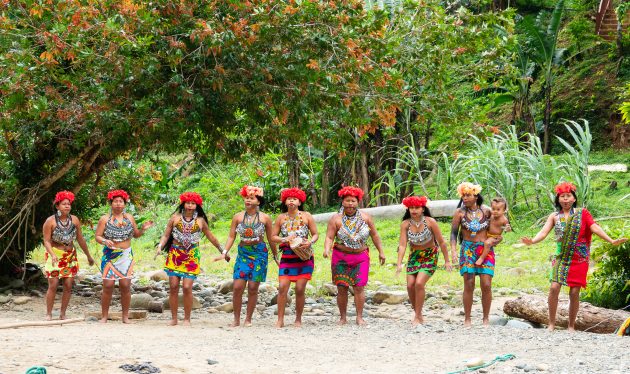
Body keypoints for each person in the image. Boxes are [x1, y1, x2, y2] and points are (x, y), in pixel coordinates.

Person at [521, 182, 627, 332]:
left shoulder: (583, 213)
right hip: (561, 257)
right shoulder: (554, 216)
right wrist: (532, 241)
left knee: (574, 292)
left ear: (574, 198)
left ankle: (571, 325)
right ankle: (551, 323)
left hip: (579, 258)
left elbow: (594, 227)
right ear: (558, 199)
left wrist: (611, 240)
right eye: (562, 196)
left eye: (568, 196)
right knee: (554, 287)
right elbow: (543, 233)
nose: (565, 199)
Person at [154, 192, 228, 326]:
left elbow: (212, 237)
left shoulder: (200, 220)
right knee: (173, 286)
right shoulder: (175, 218)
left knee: (187, 287)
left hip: (192, 256)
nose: (190, 205)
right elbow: (166, 236)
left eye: (193, 203)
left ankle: (187, 319)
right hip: (175, 255)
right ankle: (174, 318)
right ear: (183, 204)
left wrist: (223, 251)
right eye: (188, 203)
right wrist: (160, 246)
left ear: (196, 205)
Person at [323, 186, 386, 326]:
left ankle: (359, 317)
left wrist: (381, 251)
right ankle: (343, 317)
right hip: (341, 257)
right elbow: (329, 237)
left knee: (359, 287)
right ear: (342, 202)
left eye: (353, 201)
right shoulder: (335, 219)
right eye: (347, 201)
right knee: (342, 287)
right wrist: (326, 249)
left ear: (358, 202)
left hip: (360, 257)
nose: (350, 204)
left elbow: (374, 235)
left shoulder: (366, 217)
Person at [218, 185, 277, 327]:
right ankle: (236, 319)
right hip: (243, 253)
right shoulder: (237, 217)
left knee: (252, 287)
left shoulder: (265, 218)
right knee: (238, 286)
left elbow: (271, 238)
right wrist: (225, 251)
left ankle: (248, 319)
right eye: (246, 198)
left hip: (259, 254)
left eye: (252, 198)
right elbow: (232, 236)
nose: (248, 200)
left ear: (258, 201)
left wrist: (275, 256)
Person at [95, 189, 153, 323]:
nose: (118, 204)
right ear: (111, 203)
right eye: (115, 201)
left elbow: (136, 234)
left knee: (125, 285)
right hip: (110, 255)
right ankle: (104, 316)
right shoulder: (104, 219)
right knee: (108, 285)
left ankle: (125, 316)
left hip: (126, 255)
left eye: (121, 201)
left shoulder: (129, 218)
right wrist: (105, 241)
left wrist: (143, 229)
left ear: (125, 204)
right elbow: (97, 236)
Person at [396, 195, 452, 326]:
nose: (414, 210)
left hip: (430, 255)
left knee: (419, 284)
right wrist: (399, 263)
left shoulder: (430, 221)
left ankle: (417, 316)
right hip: (414, 256)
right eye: (411, 208)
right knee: (410, 285)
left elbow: (442, 242)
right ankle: (418, 313)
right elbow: (403, 245)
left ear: (423, 209)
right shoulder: (405, 224)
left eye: (417, 207)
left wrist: (447, 260)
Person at [42, 191, 95, 320]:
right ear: (57, 206)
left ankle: (62, 313)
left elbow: (80, 239)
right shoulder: (50, 221)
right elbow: (46, 241)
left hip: (69, 256)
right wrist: (53, 254)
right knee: (53, 284)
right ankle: (49, 313)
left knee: (68, 285)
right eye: (63, 204)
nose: (67, 206)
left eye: (68, 204)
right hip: (55, 255)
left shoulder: (75, 220)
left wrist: (88, 255)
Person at [271, 187, 318, 328]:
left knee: (299, 288)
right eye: (289, 199)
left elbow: (315, 234)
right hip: (287, 256)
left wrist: (310, 241)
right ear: (285, 201)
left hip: (304, 256)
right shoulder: (280, 218)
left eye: (294, 199)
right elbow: (273, 237)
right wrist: (285, 239)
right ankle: (280, 319)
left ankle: (298, 319)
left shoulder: (307, 216)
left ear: (299, 202)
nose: (291, 201)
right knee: (282, 287)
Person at [449, 182, 493, 327]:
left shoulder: (486, 211)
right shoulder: (459, 213)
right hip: (467, 249)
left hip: (485, 250)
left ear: (475, 196)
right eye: (463, 195)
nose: (465, 198)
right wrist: (453, 250)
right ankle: (467, 318)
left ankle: (486, 318)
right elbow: (454, 233)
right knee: (469, 283)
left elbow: (496, 228)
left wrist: (498, 236)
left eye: (468, 195)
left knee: (486, 284)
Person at [475, 197, 511, 266]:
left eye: (498, 209)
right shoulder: (491, 215)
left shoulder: (504, 220)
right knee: (478, 238)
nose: (495, 211)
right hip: (487, 234)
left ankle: (482, 258)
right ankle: (477, 253)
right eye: (493, 209)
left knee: (487, 243)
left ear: (504, 210)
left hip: (495, 236)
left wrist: (507, 229)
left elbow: (508, 229)